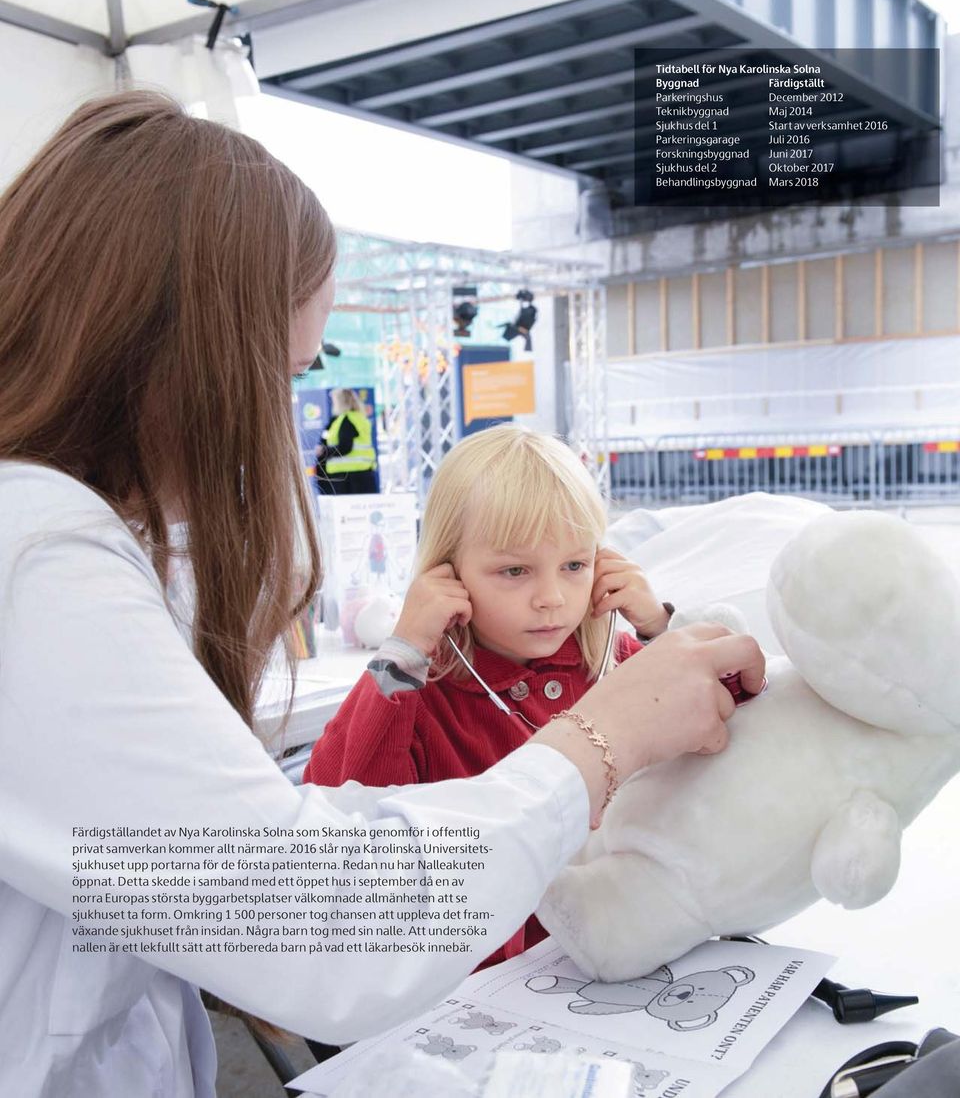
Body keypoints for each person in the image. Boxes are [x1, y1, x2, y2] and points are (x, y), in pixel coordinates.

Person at [0, 91, 764, 1098]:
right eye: (281, 372)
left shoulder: (56, 541)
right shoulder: (36, 561)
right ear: (194, 360)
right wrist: (599, 739)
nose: (273, 418)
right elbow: (314, 919)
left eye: (572, 565)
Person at [304, 425, 675, 963]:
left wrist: (662, 633)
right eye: (514, 570)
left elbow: (734, 742)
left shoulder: (619, 660)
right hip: (489, 987)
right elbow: (338, 807)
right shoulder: (420, 692)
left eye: (575, 565)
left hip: (632, 955)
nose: (551, 598)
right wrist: (404, 650)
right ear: (447, 572)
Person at [314, 387, 379, 495]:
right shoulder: (358, 418)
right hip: (361, 474)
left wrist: (324, 451)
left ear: (341, 401)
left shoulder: (347, 420)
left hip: (349, 479)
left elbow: (345, 447)